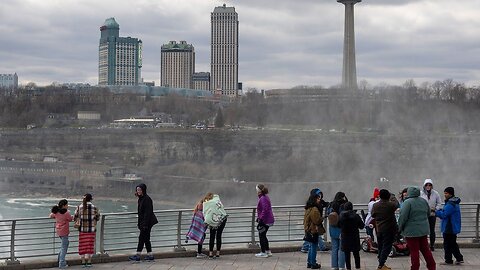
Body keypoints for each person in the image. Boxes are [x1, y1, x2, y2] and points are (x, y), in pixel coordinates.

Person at [398, 186, 436, 270]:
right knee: (426, 250)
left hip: (411, 232)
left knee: (414, 251)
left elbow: (403, 217)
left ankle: (415, 268)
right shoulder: (423, 201)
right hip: (423, 231)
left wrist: (399, 228)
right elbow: (428, 213)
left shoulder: (407, 202)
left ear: (409, 193)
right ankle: (432, 266)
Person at [129, 183, 158, 262]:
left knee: (141, 238)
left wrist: (144, 224)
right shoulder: (141, 198)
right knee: (146, 239)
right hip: (144, 222)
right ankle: (150, 255)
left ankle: (138, 255)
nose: (138, 191)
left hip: (147, 223)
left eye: (140, 190)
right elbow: (141, 213)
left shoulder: (147, 199)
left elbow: (148, 213)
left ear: (143, 190)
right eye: (137, 190)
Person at [435, 187, 464, 265]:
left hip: (449, 226)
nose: (445, 195)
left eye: (446, 193)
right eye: (444, 193)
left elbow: (444, 214)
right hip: (452, 226)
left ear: (450, 194)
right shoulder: (454, 202)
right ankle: (459, 258)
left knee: (447, 244)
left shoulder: (450, 204)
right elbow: (446, 212)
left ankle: (448, 260)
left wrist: (435, 212)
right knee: (453, 243)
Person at [371, 189, 399, 270]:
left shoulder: (375, 205)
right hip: (389, 229)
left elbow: (373, 215)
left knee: (380, 246)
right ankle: (381, 265)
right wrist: (393, 196)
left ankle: (381, 264)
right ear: (388, 196)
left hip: (379, 229)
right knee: (387, 247)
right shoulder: (391, 205)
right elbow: (397, 204)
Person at [74, 193, 100, 267]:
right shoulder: (94, 207)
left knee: (82, 245)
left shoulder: (79, 207)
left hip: (82, 230)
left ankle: (82, 261)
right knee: (90, 246)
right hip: (91, 230)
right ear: (91, 199)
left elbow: (75, 217)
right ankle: (89, 262)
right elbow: (98, 217)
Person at [301, 188, 329, 253]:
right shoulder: (312, 206)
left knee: (315, 235)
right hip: (314, 222)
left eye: (320, 194)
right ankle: (305, 248)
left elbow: (326, 204)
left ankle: (322, 247)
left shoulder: (320, 202)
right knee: (313, 235)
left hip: (317, 220)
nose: (320, 196)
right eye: (318, 195)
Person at [338, 202, 364, 270]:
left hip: (345, 237)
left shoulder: (341, 216)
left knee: (347, 254)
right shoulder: (356, 216)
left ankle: (348, 268)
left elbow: (338, 225)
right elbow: (362, 226)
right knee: (356, 254)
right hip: (354, 237)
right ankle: (357, 267)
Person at [203, 193, 228, 259]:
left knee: (212, 236)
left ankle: (210, 253)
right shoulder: (217, 200)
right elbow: (221, 209)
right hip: (222, 219)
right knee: (219, 236)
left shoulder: (208, 202)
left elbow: (205, 211)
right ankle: (218, 253)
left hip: (212, 219)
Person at [49, 199, 73, 269]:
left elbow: (50, 215)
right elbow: (70, 219)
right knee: (64, 248)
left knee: (64, 245)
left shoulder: (56, 212)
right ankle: (62, 264)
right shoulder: (66, 213)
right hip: (64, 232)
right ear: (64, 205)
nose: (67, 206)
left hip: (59, 231)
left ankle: (60, 260)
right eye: (67, 205)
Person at [420, 179, 442, 251]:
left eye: (429, 185)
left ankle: (432, 245)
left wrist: (435, 209)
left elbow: (439, 203)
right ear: (424, 186)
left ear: (432, 186)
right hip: (423, 215)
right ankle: (424, 245)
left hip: (432, 214)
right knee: (423, 231)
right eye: (426, 185)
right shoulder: (421, 193)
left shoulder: (436, 193)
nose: (428, 186)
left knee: (432, 230)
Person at [328, 191, 348, 270]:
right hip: (341, 229)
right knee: (342, 248)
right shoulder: (343, 205)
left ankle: (334, 266)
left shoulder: (331, 205)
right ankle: (341, 266)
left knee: (334, 248)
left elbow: (328, 215)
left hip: (332, 228)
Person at [255, 184, 275, 258]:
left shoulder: (263, 198)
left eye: (256, 190)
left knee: (261, 235)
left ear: (258, 191)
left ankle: (263, 252)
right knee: (263, 235)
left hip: (265, 220)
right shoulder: (265, 197)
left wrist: (261, 219)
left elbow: (265, 210)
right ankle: (267, 251)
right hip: (268, 219)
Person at [303, 192, 322, 269]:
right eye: (318, 198)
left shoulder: (308, 208)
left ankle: (309, 262)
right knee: (314, 247)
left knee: (311, 246)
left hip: (308, 230)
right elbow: (316, 221)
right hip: (313, 230)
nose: (319, 200)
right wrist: (322, 218)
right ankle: (313, 263)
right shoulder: (314, 209)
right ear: (314, 199)